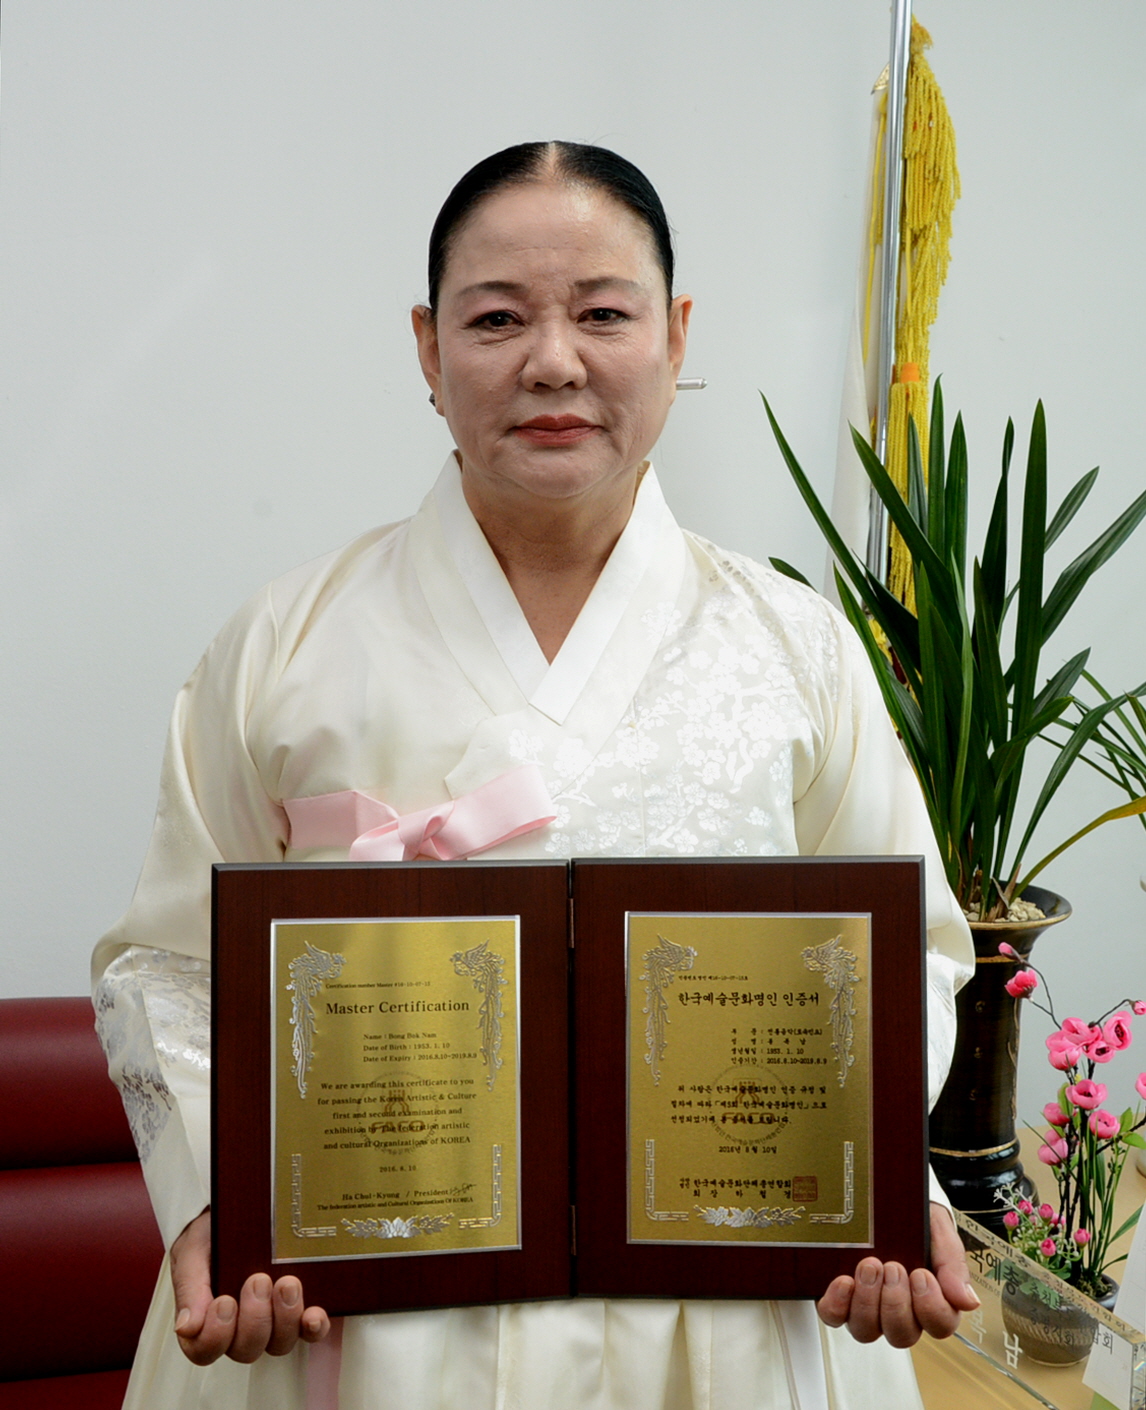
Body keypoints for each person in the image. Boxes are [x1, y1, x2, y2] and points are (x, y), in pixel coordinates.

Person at [93, 140, 977, 1410]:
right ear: (426, 347)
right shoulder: (284, 645)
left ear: (675, 336)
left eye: (603, 313)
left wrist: (883, 1180)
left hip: (714, 1305)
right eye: (498, 317)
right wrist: (214, 1208)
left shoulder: (796, 648)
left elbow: (915, 960)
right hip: (362, 1309)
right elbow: (167, 963)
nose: (553, 360)